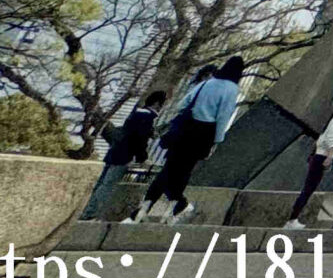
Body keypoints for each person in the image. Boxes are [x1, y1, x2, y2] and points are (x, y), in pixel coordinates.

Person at [136, 58, 246, 223]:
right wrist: (217, 140)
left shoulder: (207, 83)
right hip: (204, 133)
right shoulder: (232, 89)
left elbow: (183, 104)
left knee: (168, 168)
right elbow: (223, 116)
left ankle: (145, 207)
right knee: (184, 172)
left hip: (185, 129)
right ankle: (175, 207)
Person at [83, 88, 167, 220]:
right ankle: (89, 214)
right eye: (162, 104)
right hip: (124, 156)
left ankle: (84, 210)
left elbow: (133, 132)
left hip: (114, 152)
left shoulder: (136, 113)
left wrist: (150, 132)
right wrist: (143, 158)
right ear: (157, 103)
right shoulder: (148, 117)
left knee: (100, 183)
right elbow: (140, 139)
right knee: (107, 185)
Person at [283, 91, 333, 229]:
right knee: (308, 189)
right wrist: (329, 157)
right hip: (322, 157)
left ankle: (293, 219)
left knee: (308, 189)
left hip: (319, 156)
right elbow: (332, 141)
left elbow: (324, 139)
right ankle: (291, 220)